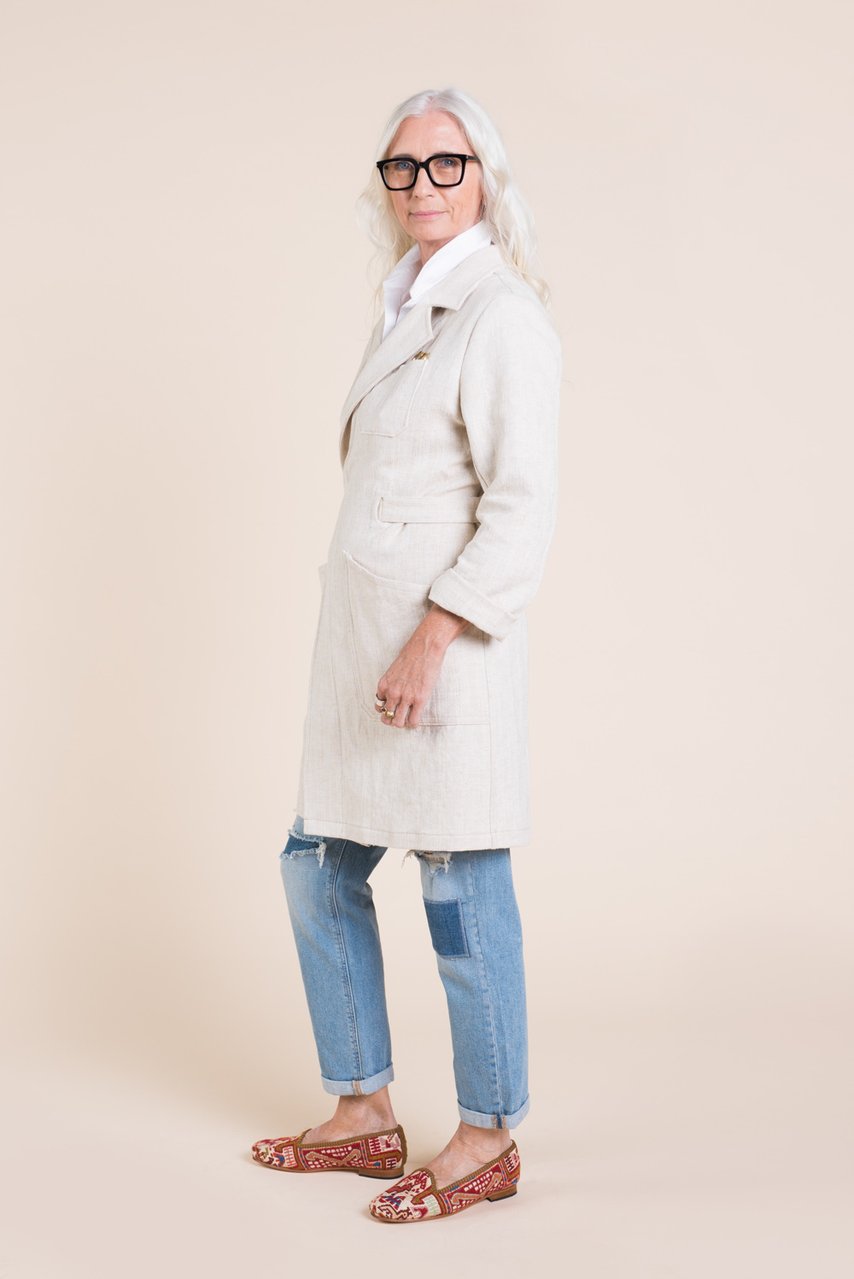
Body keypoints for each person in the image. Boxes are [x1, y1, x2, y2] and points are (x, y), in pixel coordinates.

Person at [251, 86, 562, 1224]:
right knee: (315, 861)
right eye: (401, 166)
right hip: (364, 655)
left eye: (446, 163)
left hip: (440, 655)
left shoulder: (499, 314)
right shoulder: (405, 302)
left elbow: (519, 509)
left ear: (484, 177)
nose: (421, 184)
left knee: (459, 884)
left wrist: (433, 638)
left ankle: (487, 1134)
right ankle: (363, 1109)